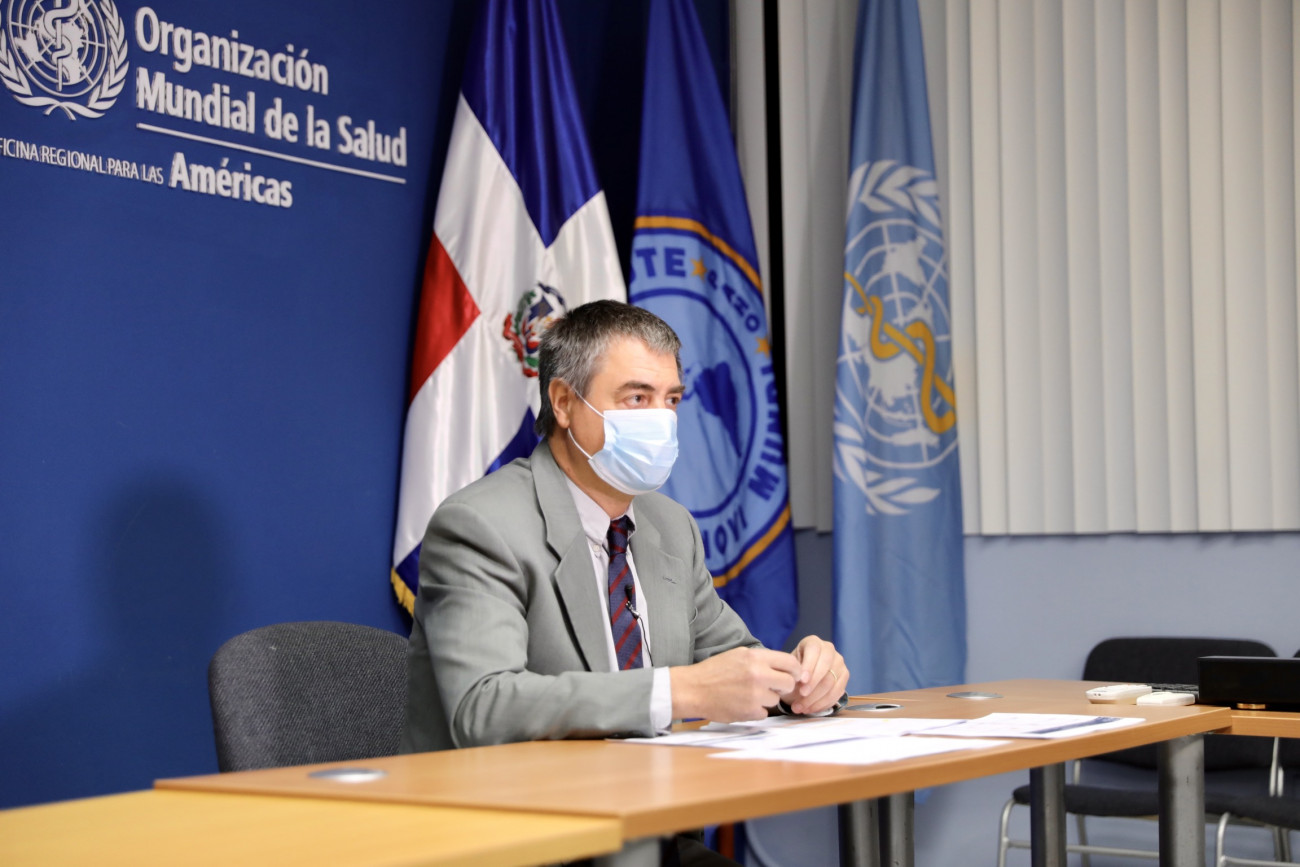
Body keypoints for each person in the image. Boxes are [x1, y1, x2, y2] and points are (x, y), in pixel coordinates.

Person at [402, 300, 847, 865]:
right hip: (517, 841)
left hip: (647, 834)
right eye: (637, 398)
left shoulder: (670, 526)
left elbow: (734, 663)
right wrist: (678, 692)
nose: (661, 419)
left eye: (672, 400)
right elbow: (483, 707)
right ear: (564, 403)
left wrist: (802, 681)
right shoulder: (481, 525)